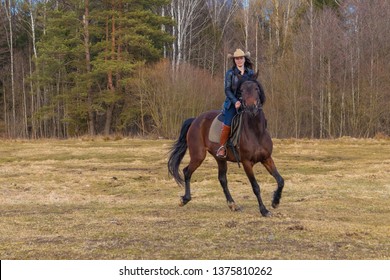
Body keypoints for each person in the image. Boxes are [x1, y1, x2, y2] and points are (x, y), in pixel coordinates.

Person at [216, 48, 255, 158]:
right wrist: (235, 101)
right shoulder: (230, 73)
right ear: (234, 60)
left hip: (247, 102)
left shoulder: (250, 72)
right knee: (228, 123)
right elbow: (227, 89)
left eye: (241, 58)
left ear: (244, 59)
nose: (239, 60)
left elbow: (253, 87)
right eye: (237, 59)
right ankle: (222, 147)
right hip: (233, 103)